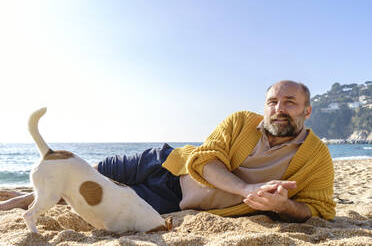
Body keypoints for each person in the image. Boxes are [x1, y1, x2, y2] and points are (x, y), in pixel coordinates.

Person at [0, 80, 335, 222]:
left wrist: (286, 206)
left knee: (84, 195)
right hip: (163, 161)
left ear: (307, 111)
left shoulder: (316, 157)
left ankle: (17, 197)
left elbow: (319, 209)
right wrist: (247, 189)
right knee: (78, 174)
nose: (279, 108)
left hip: (173, 202)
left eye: (290, 102)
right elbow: (205, 160)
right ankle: (16, 200)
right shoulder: (240, 122)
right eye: (272, 101)